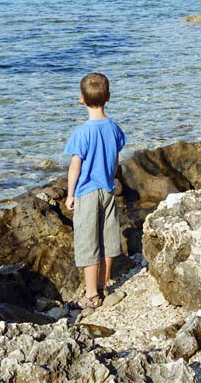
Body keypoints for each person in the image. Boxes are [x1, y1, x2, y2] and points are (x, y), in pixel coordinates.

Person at [63, 72, 127, 311]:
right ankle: (103, 285)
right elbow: (116, 159)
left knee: (88, 240)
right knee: (108, 237)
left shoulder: (82, 133)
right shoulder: (114, 128)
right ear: (108, 97)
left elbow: (75, 167)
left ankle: (91, 295)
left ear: (81, 99)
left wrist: (70, 195)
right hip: (108, 188)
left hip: (87, 192)